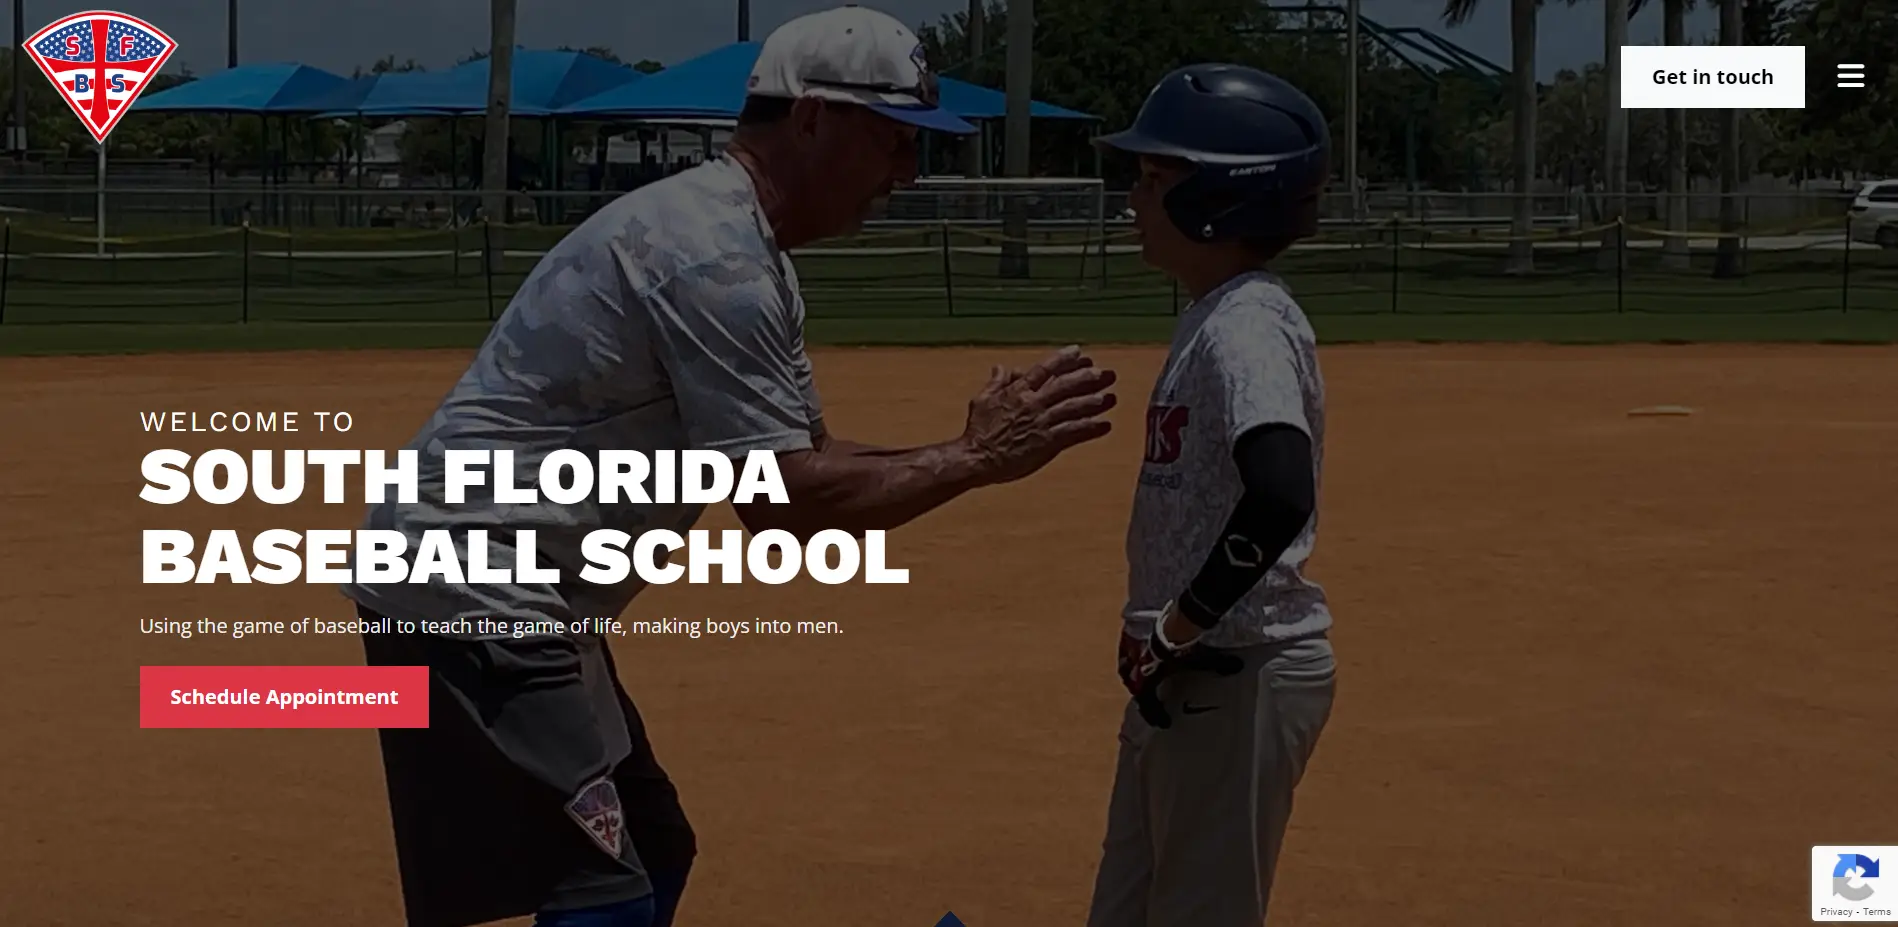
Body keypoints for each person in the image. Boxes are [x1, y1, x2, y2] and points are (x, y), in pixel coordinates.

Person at [338, 7, 1119, 927]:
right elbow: (784, 506)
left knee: (655, 850)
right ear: (815, 119)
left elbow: (799, 456)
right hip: (475, 585)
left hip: (526, 591)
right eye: (896, 140)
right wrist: (975, 458)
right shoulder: (713, 255)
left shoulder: (749, 247)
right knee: (603, 892)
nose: (908, 173)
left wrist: (971, 445)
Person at [1083, 63, 1339, 927]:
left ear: (1220, 202)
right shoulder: (1215, 312)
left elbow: (1279, 491)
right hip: (1192, 673)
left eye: (1156, 180)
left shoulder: (1248, 326)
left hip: (1238, 670)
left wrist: (1174, 625)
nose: (1135, 198)